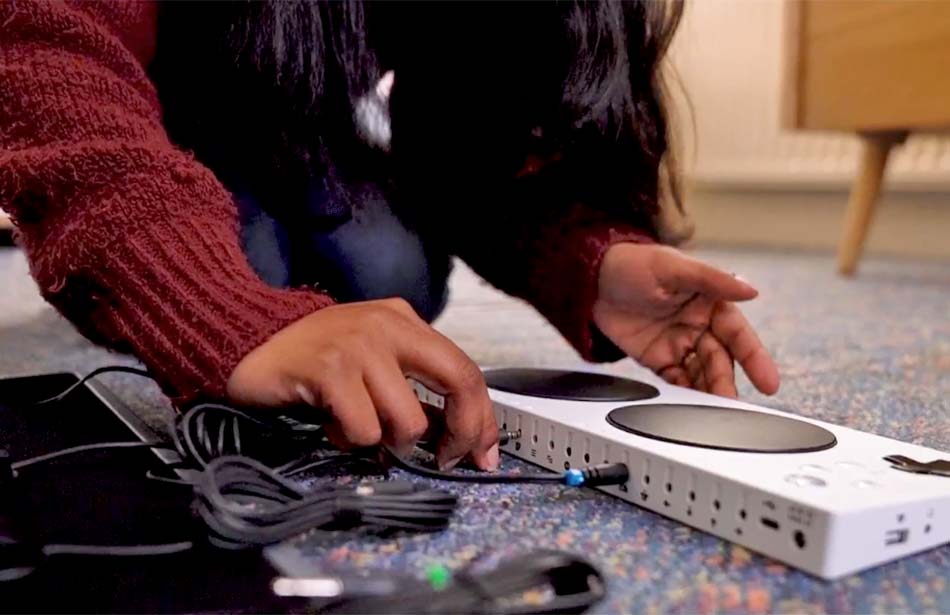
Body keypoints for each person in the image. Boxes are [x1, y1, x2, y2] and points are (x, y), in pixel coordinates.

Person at [0, 1, 779, 474]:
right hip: (144, 112)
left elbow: (460, 136)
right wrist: (217, 307)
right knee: (252, 264)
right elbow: (46, 52)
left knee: (389, 271)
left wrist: (588, 259)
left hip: (300, 123)